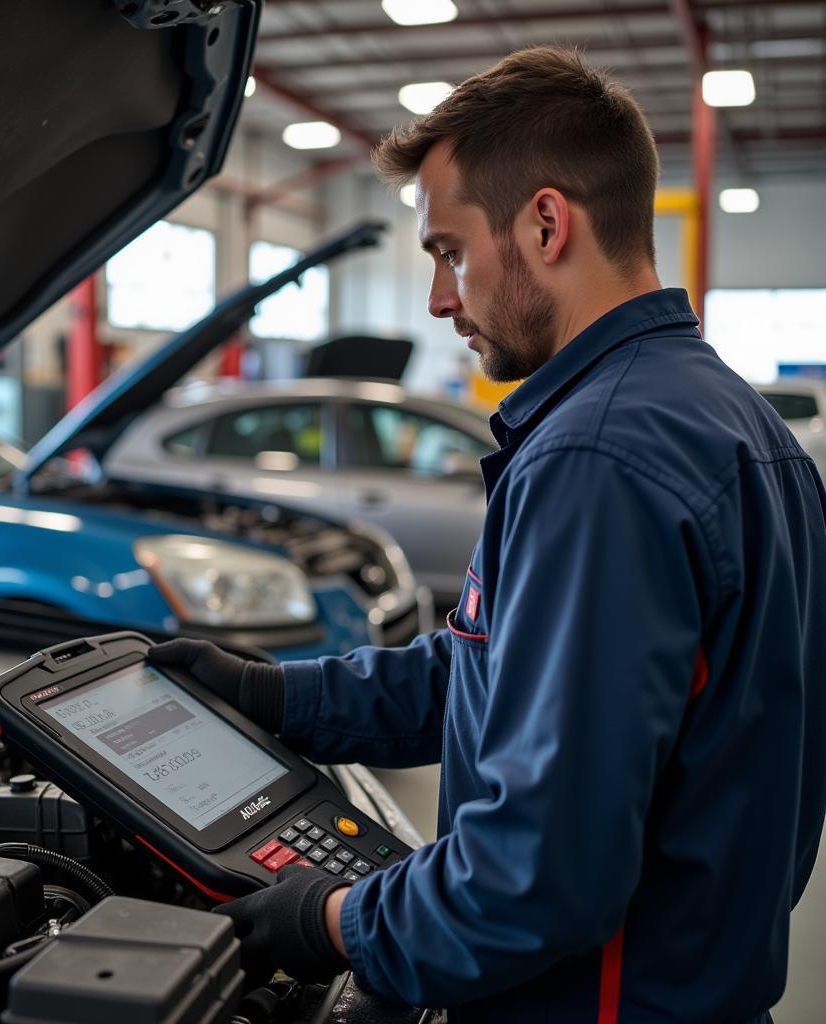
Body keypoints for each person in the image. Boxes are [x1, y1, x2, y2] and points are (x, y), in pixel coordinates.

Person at [147, 46, 826, 1023]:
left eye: (448, 250)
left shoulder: (597, 462)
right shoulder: (729, 420)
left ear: (546, 223)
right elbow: (494, 673)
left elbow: (537, 877)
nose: (438, 299)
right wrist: (276, 694)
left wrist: (332, 921)